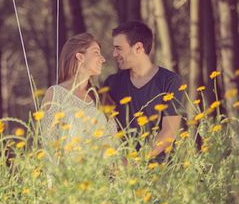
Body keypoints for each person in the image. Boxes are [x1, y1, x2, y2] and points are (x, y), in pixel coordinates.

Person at [102, 21, 182, 161]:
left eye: (119, 48)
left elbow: (169, 131)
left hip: (161, 174)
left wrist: (135, 162)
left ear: (138, 47)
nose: (114, 54)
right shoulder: (111, 83)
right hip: (121, 174)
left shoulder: (170, 81)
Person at [40, 33, 118, 155]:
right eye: (96, 52)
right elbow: (49, 145)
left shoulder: (101, 96)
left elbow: (114, 143)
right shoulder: (55, 94)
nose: (103, 59)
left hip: (105, 172)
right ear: (80, 57)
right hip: (73, 173)